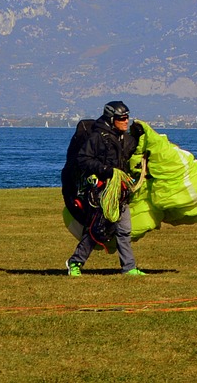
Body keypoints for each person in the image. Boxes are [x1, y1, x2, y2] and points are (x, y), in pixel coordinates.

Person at [66, 101, 148, 276]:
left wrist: (140, 138)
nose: (126, 121)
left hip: (120, 192)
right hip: (103, 192)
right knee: (97, 230)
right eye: (122, 118)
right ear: (112, 119)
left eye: (127, 118)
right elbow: (83, 159)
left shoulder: (122, 138)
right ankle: (75, 263)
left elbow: (128, 154)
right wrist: (107, 171)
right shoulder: (98, 137)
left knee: (124, 230)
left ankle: (129, 268)